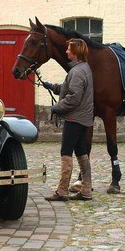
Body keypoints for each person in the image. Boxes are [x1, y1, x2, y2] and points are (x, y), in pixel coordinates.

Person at [42, 38, 94, 201]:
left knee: (66, 153)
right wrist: (52, 86)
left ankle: (62, 191)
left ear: (76, 52)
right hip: (82, 119)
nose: (66, 51)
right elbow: (69, 89)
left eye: (69, 49)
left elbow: (74, 97)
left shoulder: (77, 71)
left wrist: (56, 108)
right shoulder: (83, 68)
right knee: (82, 153)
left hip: (74, 119)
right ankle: (86, 190)